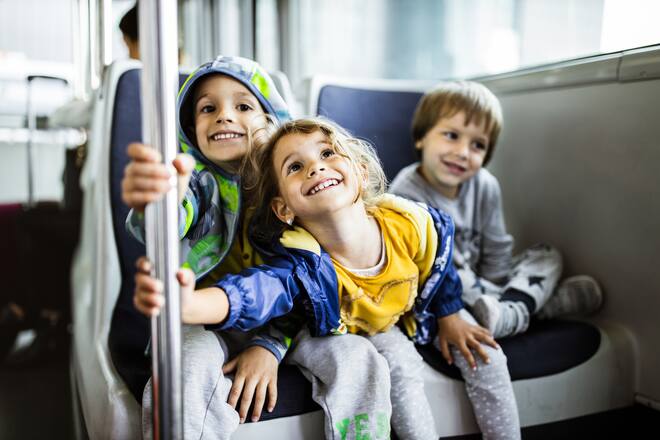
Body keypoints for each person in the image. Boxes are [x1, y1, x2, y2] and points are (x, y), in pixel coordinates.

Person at [135, 118, 522, 439]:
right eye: (295, 167)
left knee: (487, 355)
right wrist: (191, 304)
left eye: (327, 154)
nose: (315, 167)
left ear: (360, 170)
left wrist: (450, 312)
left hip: (412, 312)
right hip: (372, 329)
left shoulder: (409, 223)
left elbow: (437, 261)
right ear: (283, 208)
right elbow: (258, 291)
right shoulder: (303, 263)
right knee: (399, 367)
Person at [121, 55, 291, 431]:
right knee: (186, 368)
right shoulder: (195, 179)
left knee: (354, 352)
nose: (223, 116)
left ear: (272, 120)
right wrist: (160, 198)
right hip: (201, 317)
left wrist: (270, 346)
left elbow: (308, 277)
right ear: (190, 127)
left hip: (282, 322)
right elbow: (167, 221)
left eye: (243, 106)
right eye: (207, 108)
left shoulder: (291, 185)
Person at [389, 80, 603, 339]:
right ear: (422, 137)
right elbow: (417, 270)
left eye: (477, 145)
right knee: (457, 280)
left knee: (547, 255)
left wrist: (499, 286)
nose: (463, 152)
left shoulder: (486, 185)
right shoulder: (405, 192)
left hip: (487, 283)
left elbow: (496, 247)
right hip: (445, 290)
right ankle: (542, 307)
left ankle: (506, 311)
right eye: (452, 136)